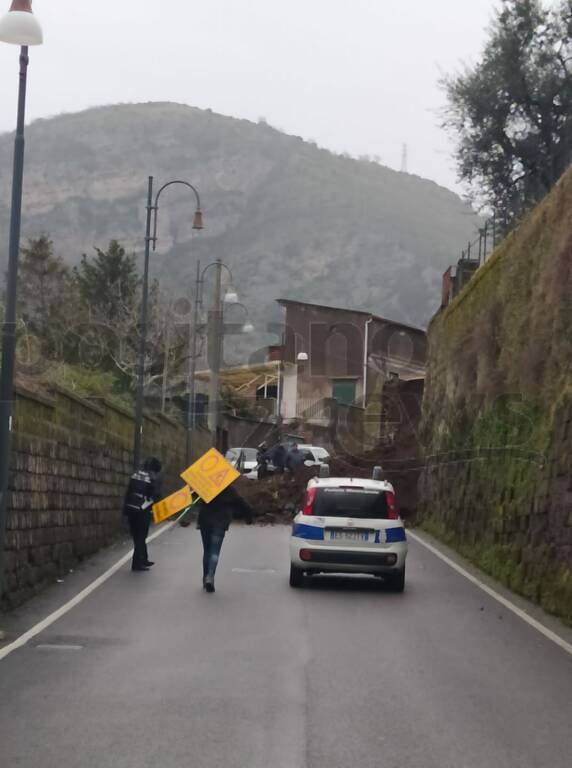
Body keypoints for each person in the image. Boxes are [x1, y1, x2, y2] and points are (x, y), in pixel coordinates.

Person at [198, 484, 254, 593]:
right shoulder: (228, 488)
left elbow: (193, 499)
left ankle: (205, 578)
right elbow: (240, 502)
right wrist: (249, 516)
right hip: (220, 522)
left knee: (207, 550)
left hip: (205, 521)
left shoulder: (204, 485)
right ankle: (210, 576)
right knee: (214, 552)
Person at [123, 457, 163, 572]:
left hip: (131, 508)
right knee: (141, 537)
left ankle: (144, 558)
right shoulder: (153, 478)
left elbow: (129, 491)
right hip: (142, 510)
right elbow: (155, 495)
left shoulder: (136, 474)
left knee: (137, 536)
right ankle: (137, 564)